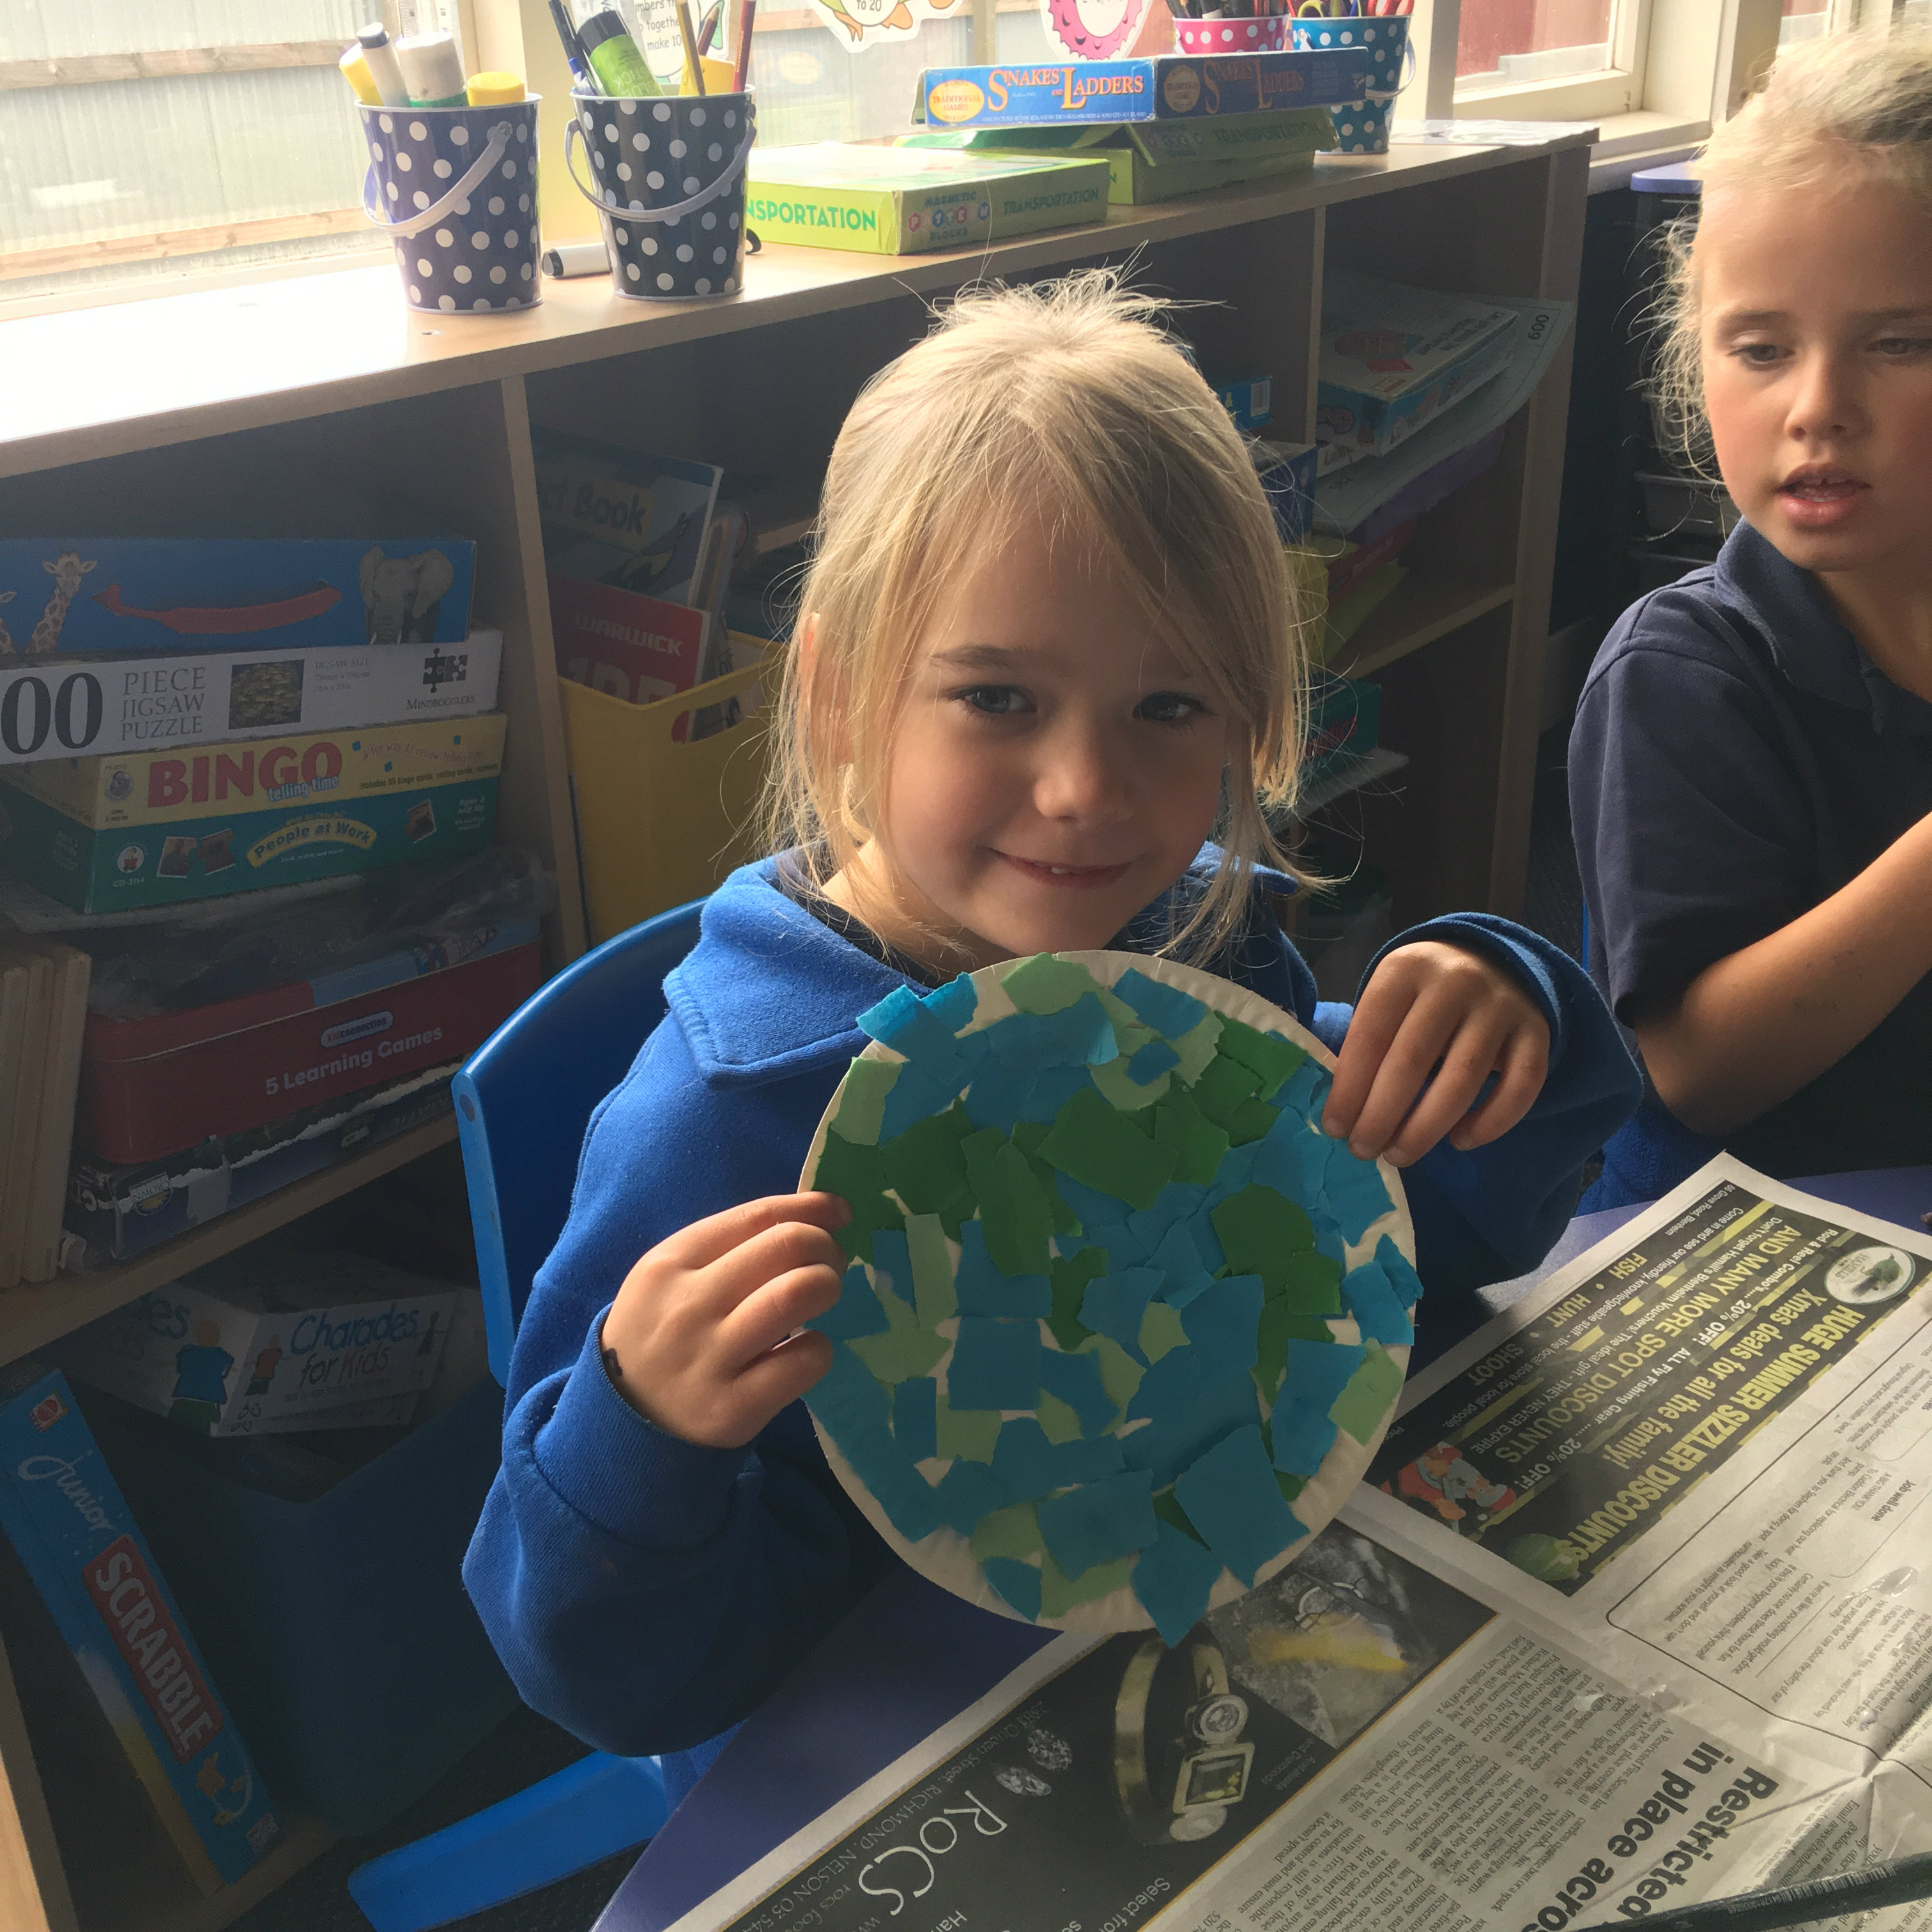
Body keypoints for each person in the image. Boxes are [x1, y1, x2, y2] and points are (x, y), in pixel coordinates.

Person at [464, 273, 1638, 1757]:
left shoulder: (1211, 964)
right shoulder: (716, 1129)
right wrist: (639, 1435)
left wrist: (1500, 1018)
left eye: (1170, 707)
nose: (1086, 790)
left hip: (1258, 1631)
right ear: (839, 699)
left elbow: (1426, 1267)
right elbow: (595, 1672)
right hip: (921, 1741)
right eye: (998, 699)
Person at [1570, 28, 1932, 1208]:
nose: (1819, 407)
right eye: (1763, 349)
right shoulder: (1681, 674)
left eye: (1901, 343)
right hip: (1752, 1252)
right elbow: (1697, 1069)